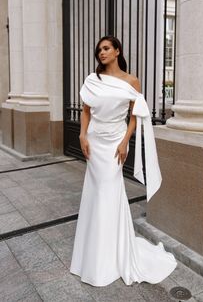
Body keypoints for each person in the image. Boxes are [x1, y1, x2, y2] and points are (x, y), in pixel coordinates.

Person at [70, 36, 177, 286]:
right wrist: (82, 135)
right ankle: (93, 255)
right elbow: (85, 111)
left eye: (106, 48)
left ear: (117, 51)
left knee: (110, 191)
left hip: (116, 141)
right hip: (95, 141)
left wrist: (124, 141)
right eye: (99, 50)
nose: (102, 53)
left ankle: (113, 253)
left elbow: (134, 116)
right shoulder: (92, 79)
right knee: (96, 194)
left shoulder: (132, 81)